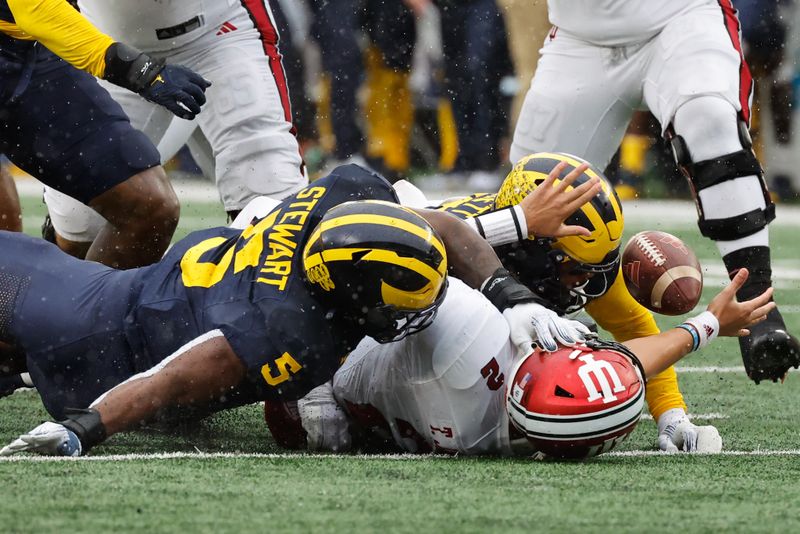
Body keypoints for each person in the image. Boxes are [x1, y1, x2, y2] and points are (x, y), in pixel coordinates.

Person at [0, 164, 598, 457]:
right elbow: (168, 381)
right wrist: (81, 430)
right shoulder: (284, 326)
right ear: (355, 298)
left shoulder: (341, 209)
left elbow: (436, 226)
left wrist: (509, 295)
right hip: (91, 345)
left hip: (130, 295)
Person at [509, 0, 799, 383]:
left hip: (680, 15)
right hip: (580, 37)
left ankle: (757, 306)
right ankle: (536, 331)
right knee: (531, 195)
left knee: (708, 118)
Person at [274, 267, 771, 457]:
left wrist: (506, 290)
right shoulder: (510, 435)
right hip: (394, 407)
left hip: (332, 365)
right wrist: (703, 326)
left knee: (301, 419)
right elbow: (627, 362)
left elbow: (424, 224)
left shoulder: (471, 333)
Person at [41, 0, 307, 259]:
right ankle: (88, 298)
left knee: (272, 202)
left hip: (218, 33)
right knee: (80, 220)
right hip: (109, 43)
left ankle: (260, 298)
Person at [0, 0, 211, 268]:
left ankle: (80, 308)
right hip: (34, 21)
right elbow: (37, 9)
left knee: (149, 206)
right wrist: (140, 71)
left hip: (25, 44)